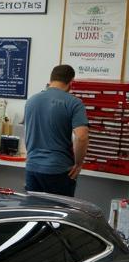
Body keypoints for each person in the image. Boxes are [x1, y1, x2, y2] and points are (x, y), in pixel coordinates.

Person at [24, 64, 90, 196]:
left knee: (34, 212)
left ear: (51, 79)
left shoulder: (31, 100)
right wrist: (78, 163)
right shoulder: (74, 103)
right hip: (58, 170)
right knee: (59, 214)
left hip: (32, 167)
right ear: (71, 82)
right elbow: (81, 137)